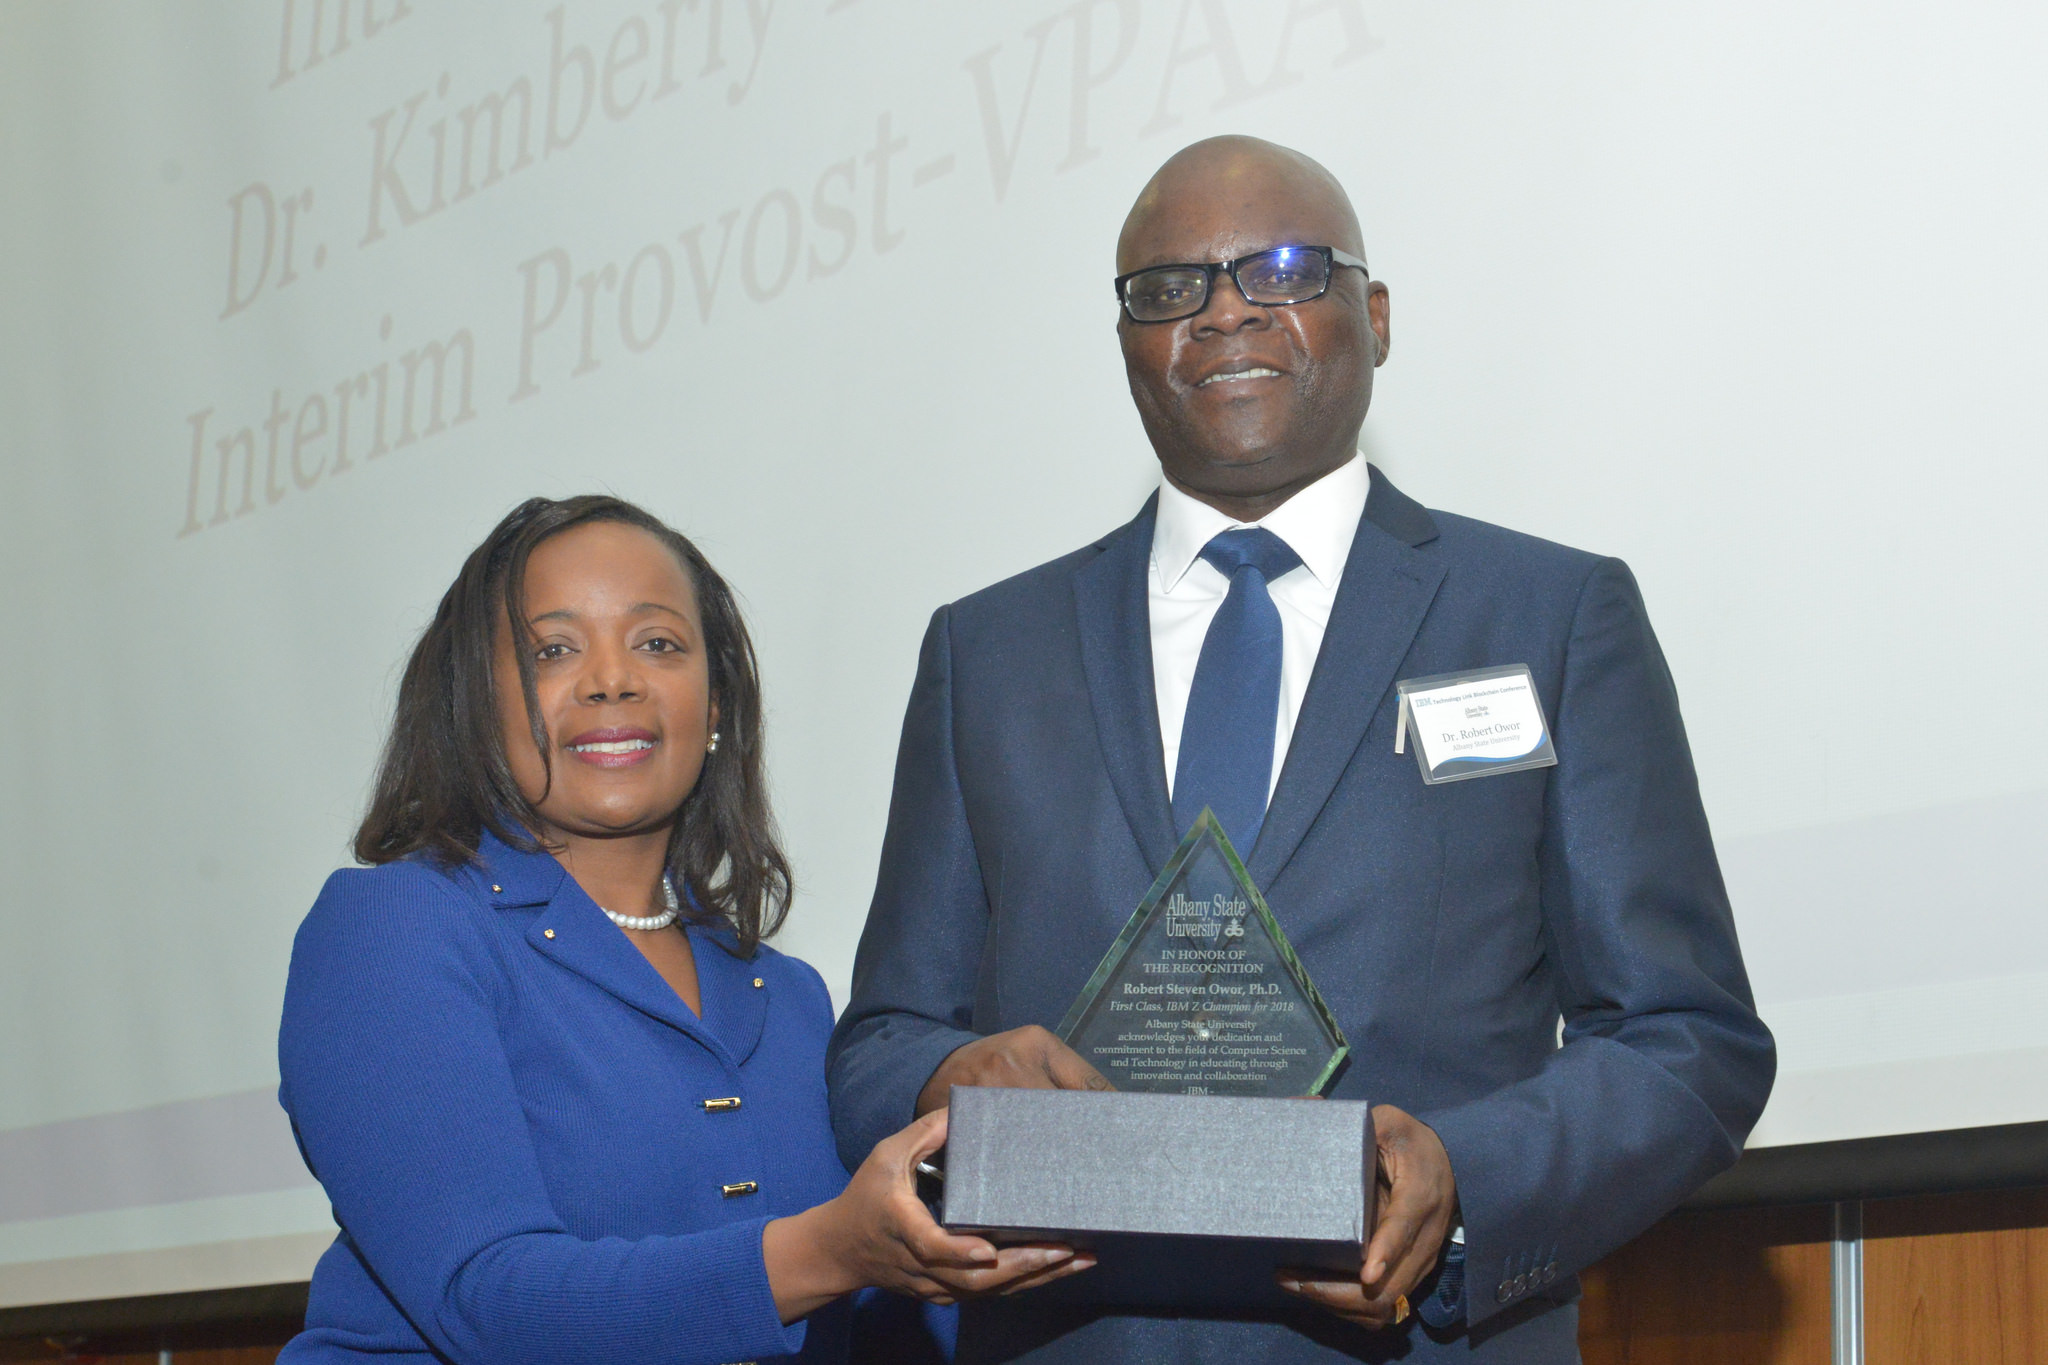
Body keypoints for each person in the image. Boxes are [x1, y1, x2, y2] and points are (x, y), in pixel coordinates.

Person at [825, 137, 1776, 1363]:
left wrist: (1460, 1180)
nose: (1223, 312)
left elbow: (1685, 1041)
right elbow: (879, 1039)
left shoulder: (1548, 616)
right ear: (1124, 343)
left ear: (1372, 317)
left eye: (1280, 270)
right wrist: (945, 1073)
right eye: (1168, 288)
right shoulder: (986, 652)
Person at [276, 495, 1089, 1365]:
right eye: (552, 649)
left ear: (714, 707)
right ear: (477, 704)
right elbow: (488, 1302)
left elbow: (871, 1323)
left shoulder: (791, 996)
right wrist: (829, 1250)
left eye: (657, 643)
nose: (611, 679)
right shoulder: (393, 929)